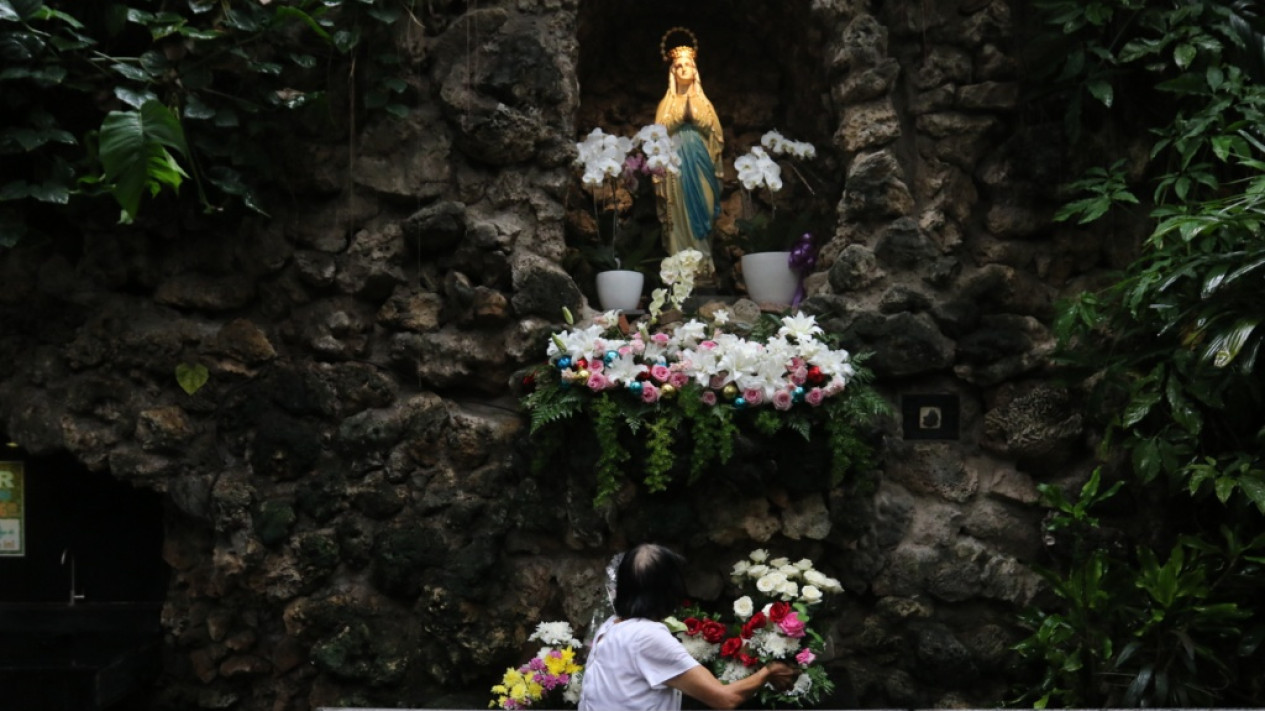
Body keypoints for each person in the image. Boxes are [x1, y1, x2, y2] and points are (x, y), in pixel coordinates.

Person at [578, 543, 796, 710]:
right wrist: (768, 672)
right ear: (669, 589)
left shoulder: (609, 627)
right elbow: (724, 699)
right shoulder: (647, 636)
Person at [654, 28, 724, 281]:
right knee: (678, 210)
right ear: (673, 71)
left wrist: (698, 122)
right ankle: (680, 267)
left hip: (701, 160)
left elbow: (717, 136)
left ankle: (703, 264)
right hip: (675, 164)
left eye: (689, 65)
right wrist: (677, 120)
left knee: (704, 206)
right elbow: (657, 135)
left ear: (695, 71)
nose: (684, 69)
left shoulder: (705, 104)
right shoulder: (667, 103)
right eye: (679, 65)